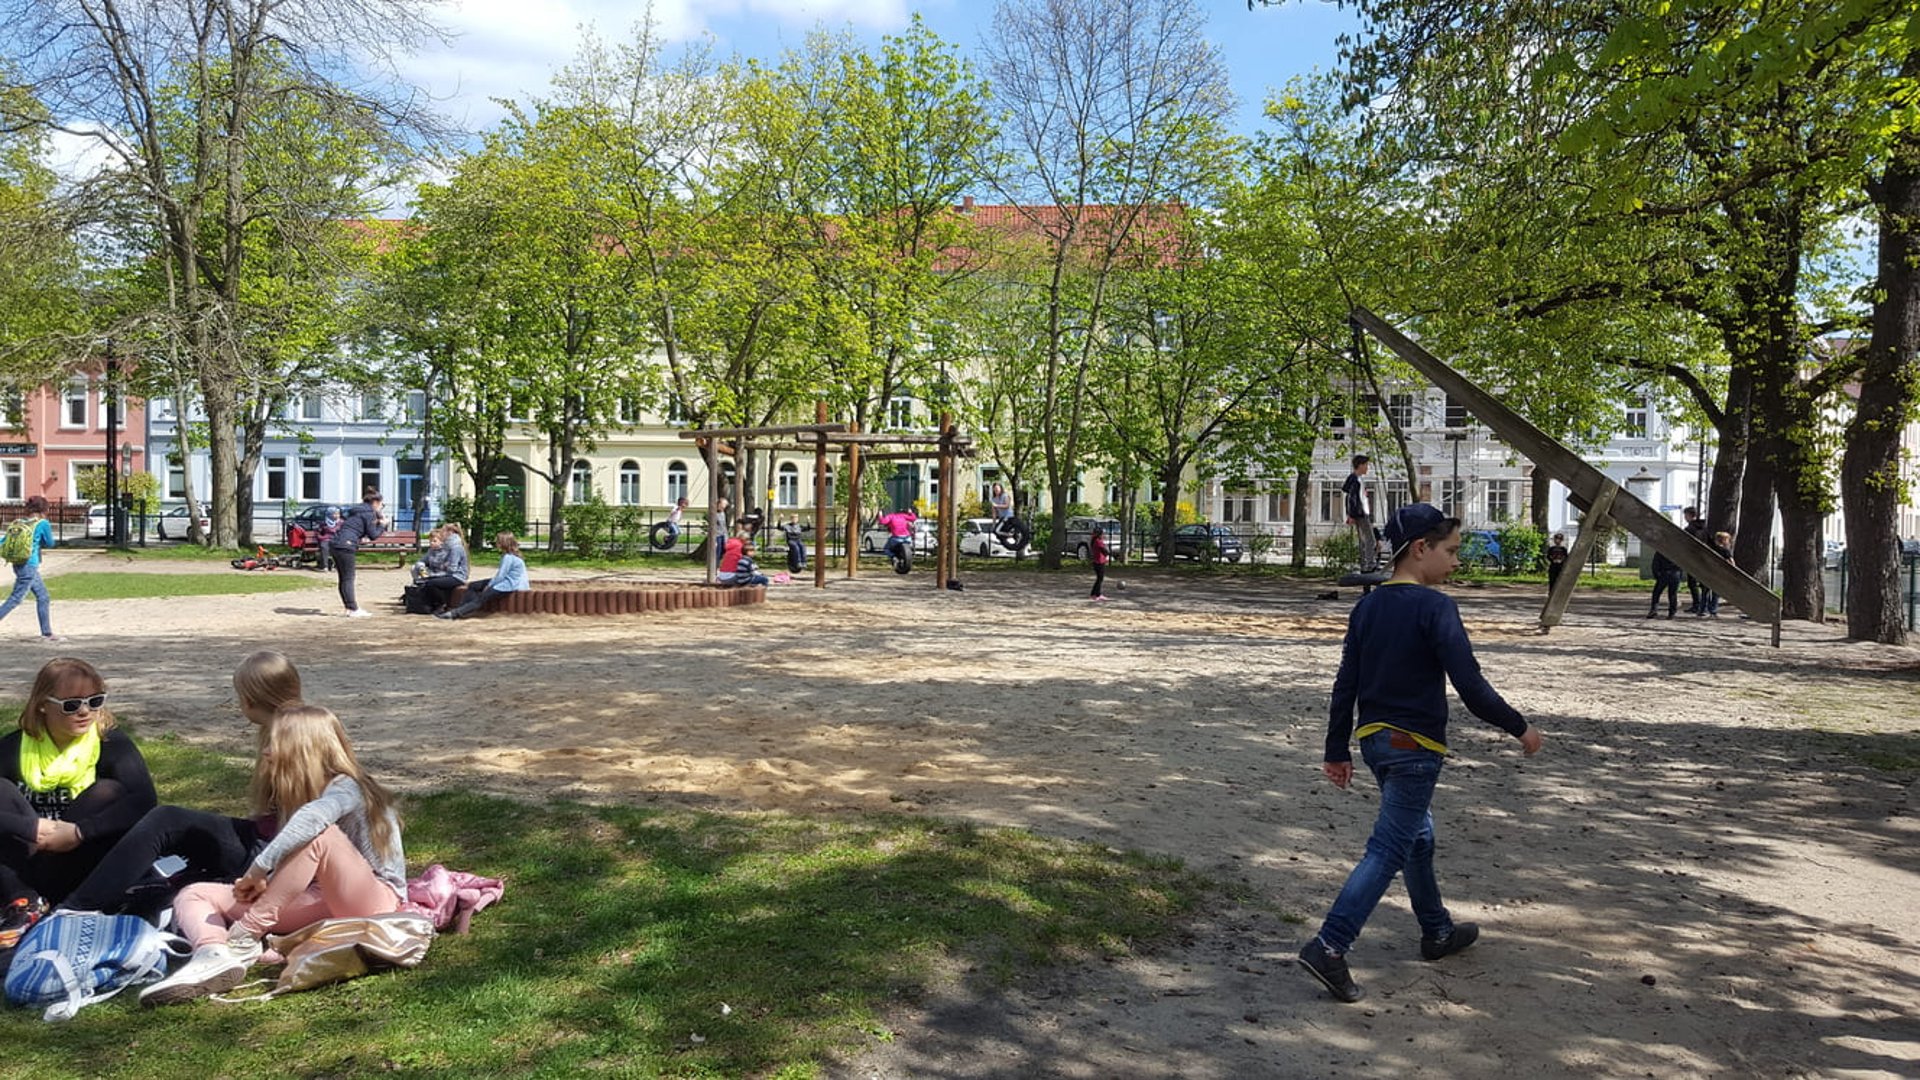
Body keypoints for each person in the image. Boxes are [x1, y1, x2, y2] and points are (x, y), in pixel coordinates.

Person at [1298, 503, 1544, 1004]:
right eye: (1450, 551)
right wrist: (1520, 728)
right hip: (1414, 748)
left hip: (1375, 742)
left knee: (1416, 838)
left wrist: (1337, 748)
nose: (1456, 561)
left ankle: (1436, 931)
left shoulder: (1367, 606)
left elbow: (1346, 683)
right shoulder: (1435, 608)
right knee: (1388, 847)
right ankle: (1330, 945)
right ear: (1420, 549)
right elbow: (1471, 686)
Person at [141, 704, 405, 1005]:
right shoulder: (301, 794)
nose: (266, 752)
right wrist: (266, 883)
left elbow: (314, 822)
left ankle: (243, 936)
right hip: (322, 901)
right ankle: (213, 954)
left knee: (321, 836)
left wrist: (259, 870)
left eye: (274, 743)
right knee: (196, 893)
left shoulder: (348, 787)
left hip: (378, 904)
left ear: (301, 749)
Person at [58, 651, 304, 919]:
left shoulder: (290, 740)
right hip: (265, 841)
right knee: (173, 833)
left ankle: (75, 909)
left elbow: (304, 821)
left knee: (167, 821)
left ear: (249, 699)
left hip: (269, 857)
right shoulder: (291, 727)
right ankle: (103, 893)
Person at [0, 659, 158, 935]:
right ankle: (24, 903)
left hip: (79, 857)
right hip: (25, 861)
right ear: (42, 704)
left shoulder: (111, 743)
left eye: (95, 701)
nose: (85, 712)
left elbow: (144, 801)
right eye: (71, 705)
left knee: (109, 791)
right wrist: (30, 827)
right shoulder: (14, 747)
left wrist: (79, 832)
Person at [0, 495, 61, 642]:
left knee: (43, 596)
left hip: (18, 563)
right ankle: (47, 633)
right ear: (44, 509)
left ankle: (47, 632)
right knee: (16, 598)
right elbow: (50, 543)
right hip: (30, 564)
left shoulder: (19, 522)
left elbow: (4, 541)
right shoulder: (42, 524)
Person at [436, 532, 530, 619]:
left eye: (498, 541)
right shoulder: (510, 555)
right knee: (473, 586)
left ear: (503, 543)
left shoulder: (508, 557)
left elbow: (500, 576)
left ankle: (455, 614)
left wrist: (489, 586)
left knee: (481, 598)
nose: (496, 543)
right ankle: (462, 608)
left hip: (508, 585)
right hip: (507, 582)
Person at [330, 490, 387, 618]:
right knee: (348, 578)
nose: (381, 507)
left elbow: (359, 528)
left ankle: (349, 607)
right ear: (375, 502)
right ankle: (353, 608)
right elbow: (373, 535)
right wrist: (383, 525)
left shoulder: (356, 511)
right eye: (382, 505)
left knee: (343, 578)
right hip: (346, 545)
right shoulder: (369, 514)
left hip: (336, 543)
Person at [416, 524, 469, 613]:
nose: (441, 533)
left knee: (431, 583)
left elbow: (452, 568)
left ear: (450, 533)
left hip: (457, 576)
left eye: (443, 531)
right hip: (450, 574)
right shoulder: (449, 545)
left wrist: (437, 572)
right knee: (426, 581)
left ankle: (441, 604)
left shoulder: (455, 547)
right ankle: (431, 605)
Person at [1343, 455, 1377, 574]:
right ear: (1361, 465)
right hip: (1360, 513)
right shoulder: (1355, 480)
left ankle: (1364, 564)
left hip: (1360, 512)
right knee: (1370, 539)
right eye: (1366, 465)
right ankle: (1370, 563)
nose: (1368, 468)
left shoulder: (1358, 479)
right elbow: (1351, 498)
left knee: (1363, 540)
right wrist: (1351, 514)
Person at [1699, 530, 1734, 617]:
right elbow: (1731, 562)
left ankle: (1703, 610)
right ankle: (1713, 610)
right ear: (1725, 540)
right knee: (1715, 593)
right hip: (1718, 574)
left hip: (1708, 572)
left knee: (1705, 592)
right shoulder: (1725, 551)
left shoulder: (1711, 549)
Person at [1681, 507, 1709, 613]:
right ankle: (1704, 606)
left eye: (1685, 515)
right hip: (1704, 558)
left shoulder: (1689, 529)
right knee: (1704, 584)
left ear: (1689, 515)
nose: (1685, 518)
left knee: (1692, 583)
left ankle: (1696, 604)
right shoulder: (1704, 527)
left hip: (1692, 558)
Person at [1647, 549, 1683, 618]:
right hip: (1675, 573)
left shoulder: (1661, 551)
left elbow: (1655, 564)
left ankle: (1654, 610)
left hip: (1664, 574)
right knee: (1672, 594)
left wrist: (1657, 576)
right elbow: (1681, 564)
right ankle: (1672, 613)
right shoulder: (1677, 551)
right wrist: (1679, 576)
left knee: (1656, 593)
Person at [314, 507, 342, 573]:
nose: (337, 515)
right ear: (330, 514)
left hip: (336, 539)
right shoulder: (324, 523)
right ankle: (325, 566)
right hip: (325, 539)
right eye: (335, 514)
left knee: (337, 548)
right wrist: (321, 537)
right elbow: (318, 532)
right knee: (324, 547)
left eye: (338, 514)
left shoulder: (341, 523)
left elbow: (343, 532)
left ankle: (335, 566)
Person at [1089, 527, 1111, 601]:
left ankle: (1093, 593)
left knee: (1099, 579)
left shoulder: (1094, 540)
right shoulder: (1098, 541)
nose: (1103, 535)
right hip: (1099, 562)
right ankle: (1097, 594)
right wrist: (1108, 551)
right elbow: (1105, 551)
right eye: (1102, 534)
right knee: (1100, 579)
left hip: (1096, 562)